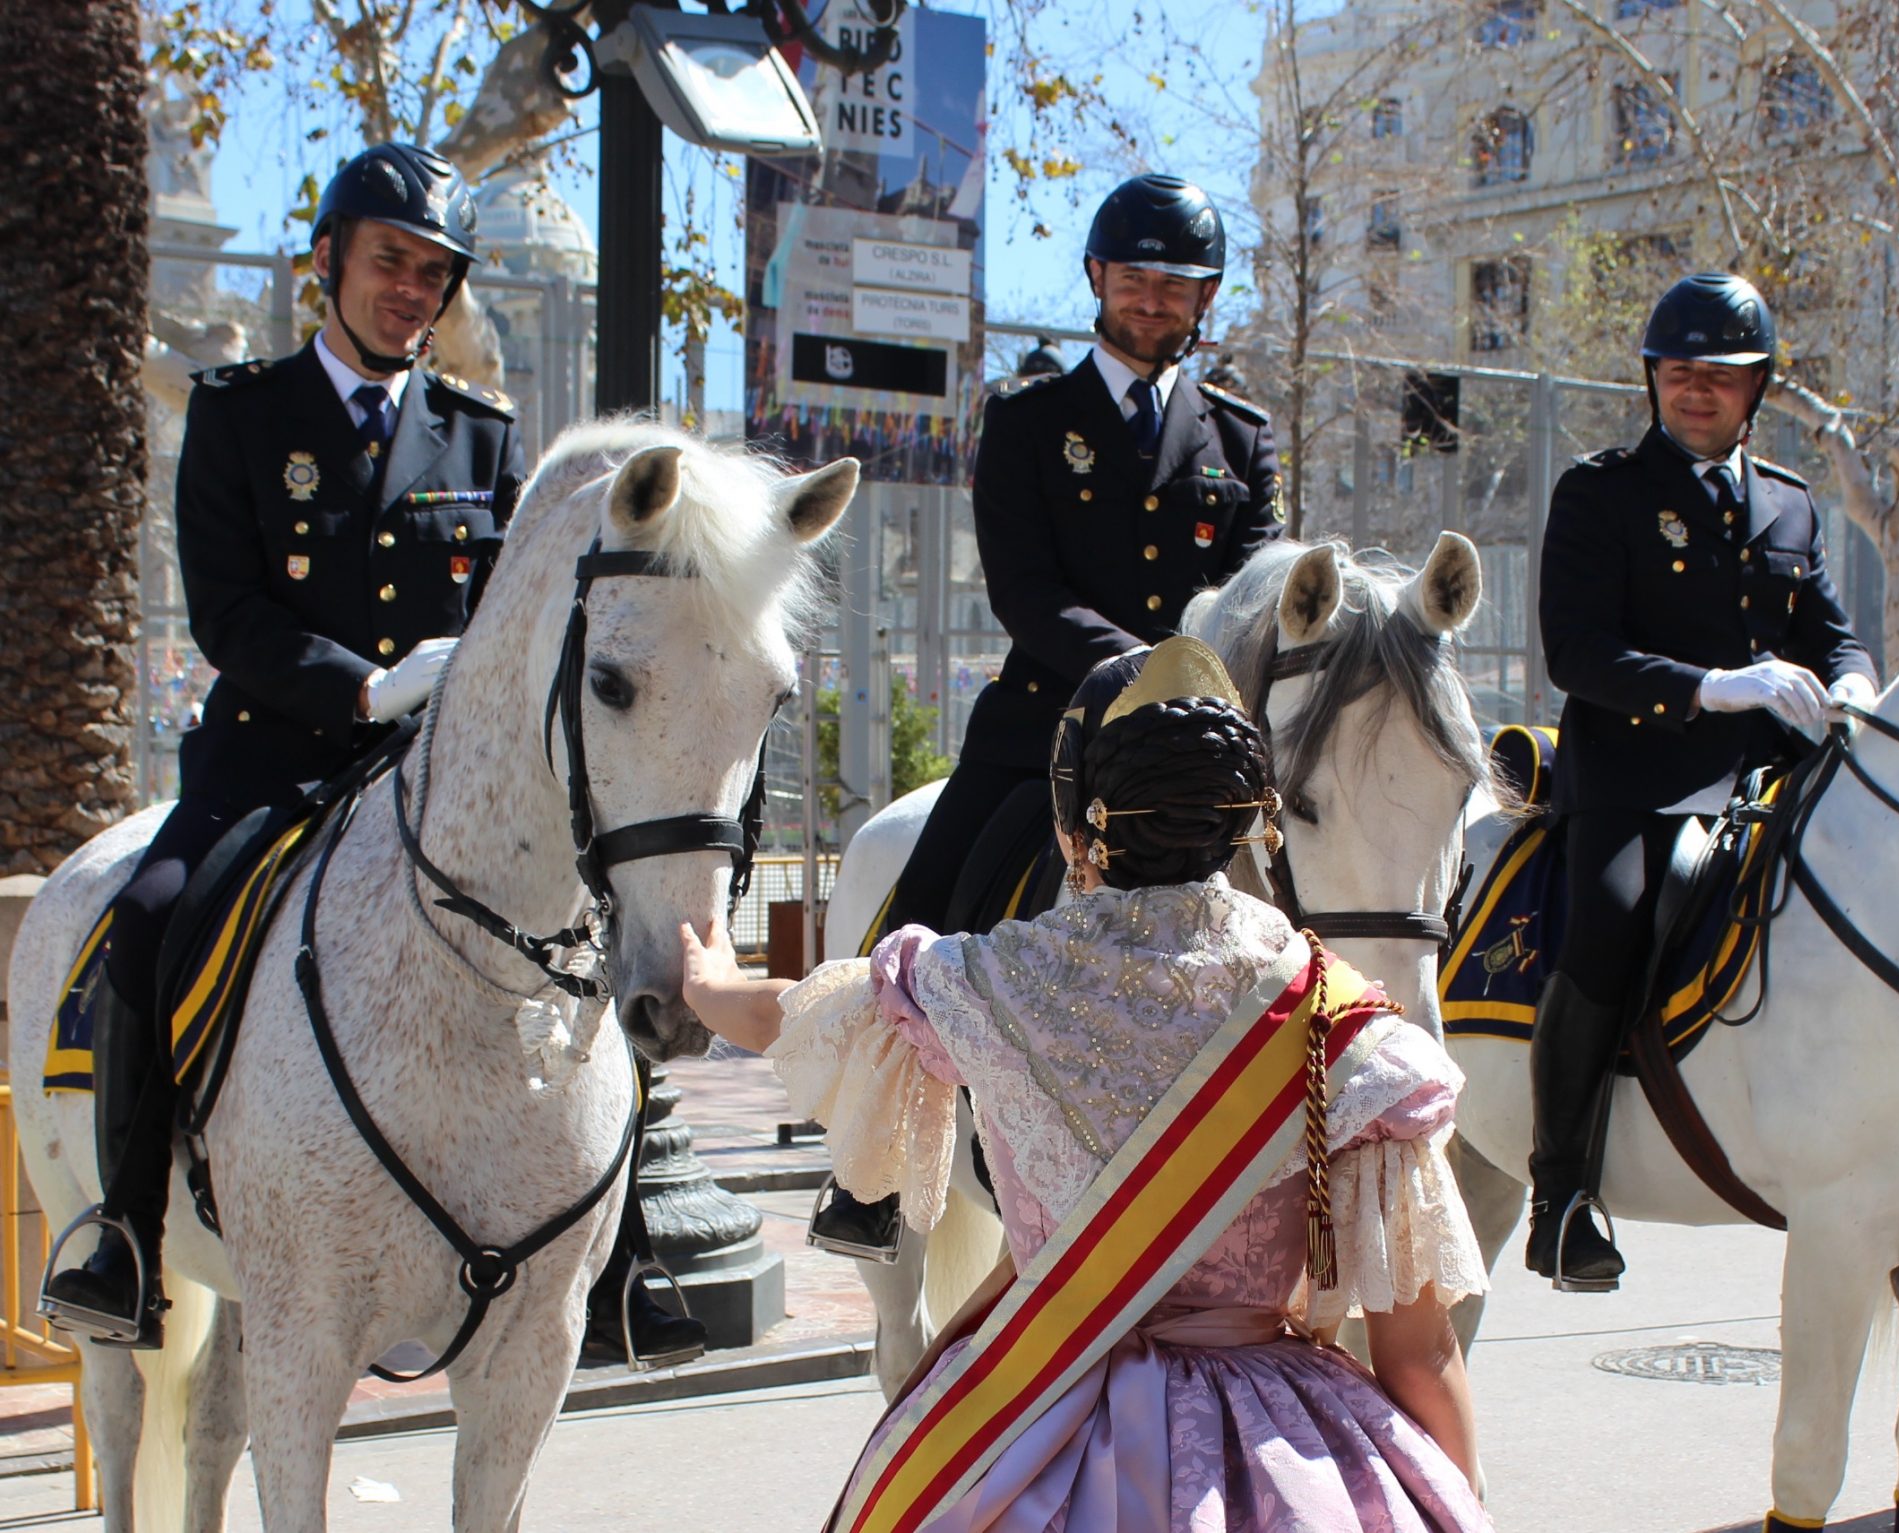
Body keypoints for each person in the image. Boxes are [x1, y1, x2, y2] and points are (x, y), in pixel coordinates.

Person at [40, 143, 695, 1366]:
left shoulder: (480, 436)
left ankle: (628, 1242)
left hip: (436, 776)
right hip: (272, 765)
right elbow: (227, 615)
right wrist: (365, 687)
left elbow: (519, 620)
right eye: (392, 262)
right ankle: (123, 1229)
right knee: (148, 918)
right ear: (327, 260)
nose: (413, 291)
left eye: (434, 274)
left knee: (592, 938)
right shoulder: (241, 415)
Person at [682, 640, 1493, 1532]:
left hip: (1034, 1421)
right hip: (1286, 1451)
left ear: (1074, 828)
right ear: (1249, 820)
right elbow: (1418, 1351)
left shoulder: (996, 977)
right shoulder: (1344, 1021)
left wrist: (708, 982)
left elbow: (794, 1011)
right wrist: (1458, 1502)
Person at [814, 171, 1283, 1258]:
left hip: (1200, 755)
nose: (1154, 301)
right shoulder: (1028, 418)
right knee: (930, 908)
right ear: (1096, 280)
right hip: (1045, 732)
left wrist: (1204, 695)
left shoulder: (1239, 439)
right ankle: (873, 1166)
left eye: (1178, 285)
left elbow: (1255, 592)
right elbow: (1023, 589)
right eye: (1136, 279)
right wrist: (1146, 669)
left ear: (1204, 300)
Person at [1529, 273, 1878, 1290]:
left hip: (1772, 775)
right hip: (1637, 775)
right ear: (1652, 378)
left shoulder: (1788, 503)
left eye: (1720, 377)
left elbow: (1830, 629)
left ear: (1757, 387)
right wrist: (1710, 688)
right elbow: (1575, 651)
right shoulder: (1601, 491)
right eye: (1679, 372)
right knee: (1610, 921)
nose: (1697, 392)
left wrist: (1854, 683)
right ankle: (1561, 1196)